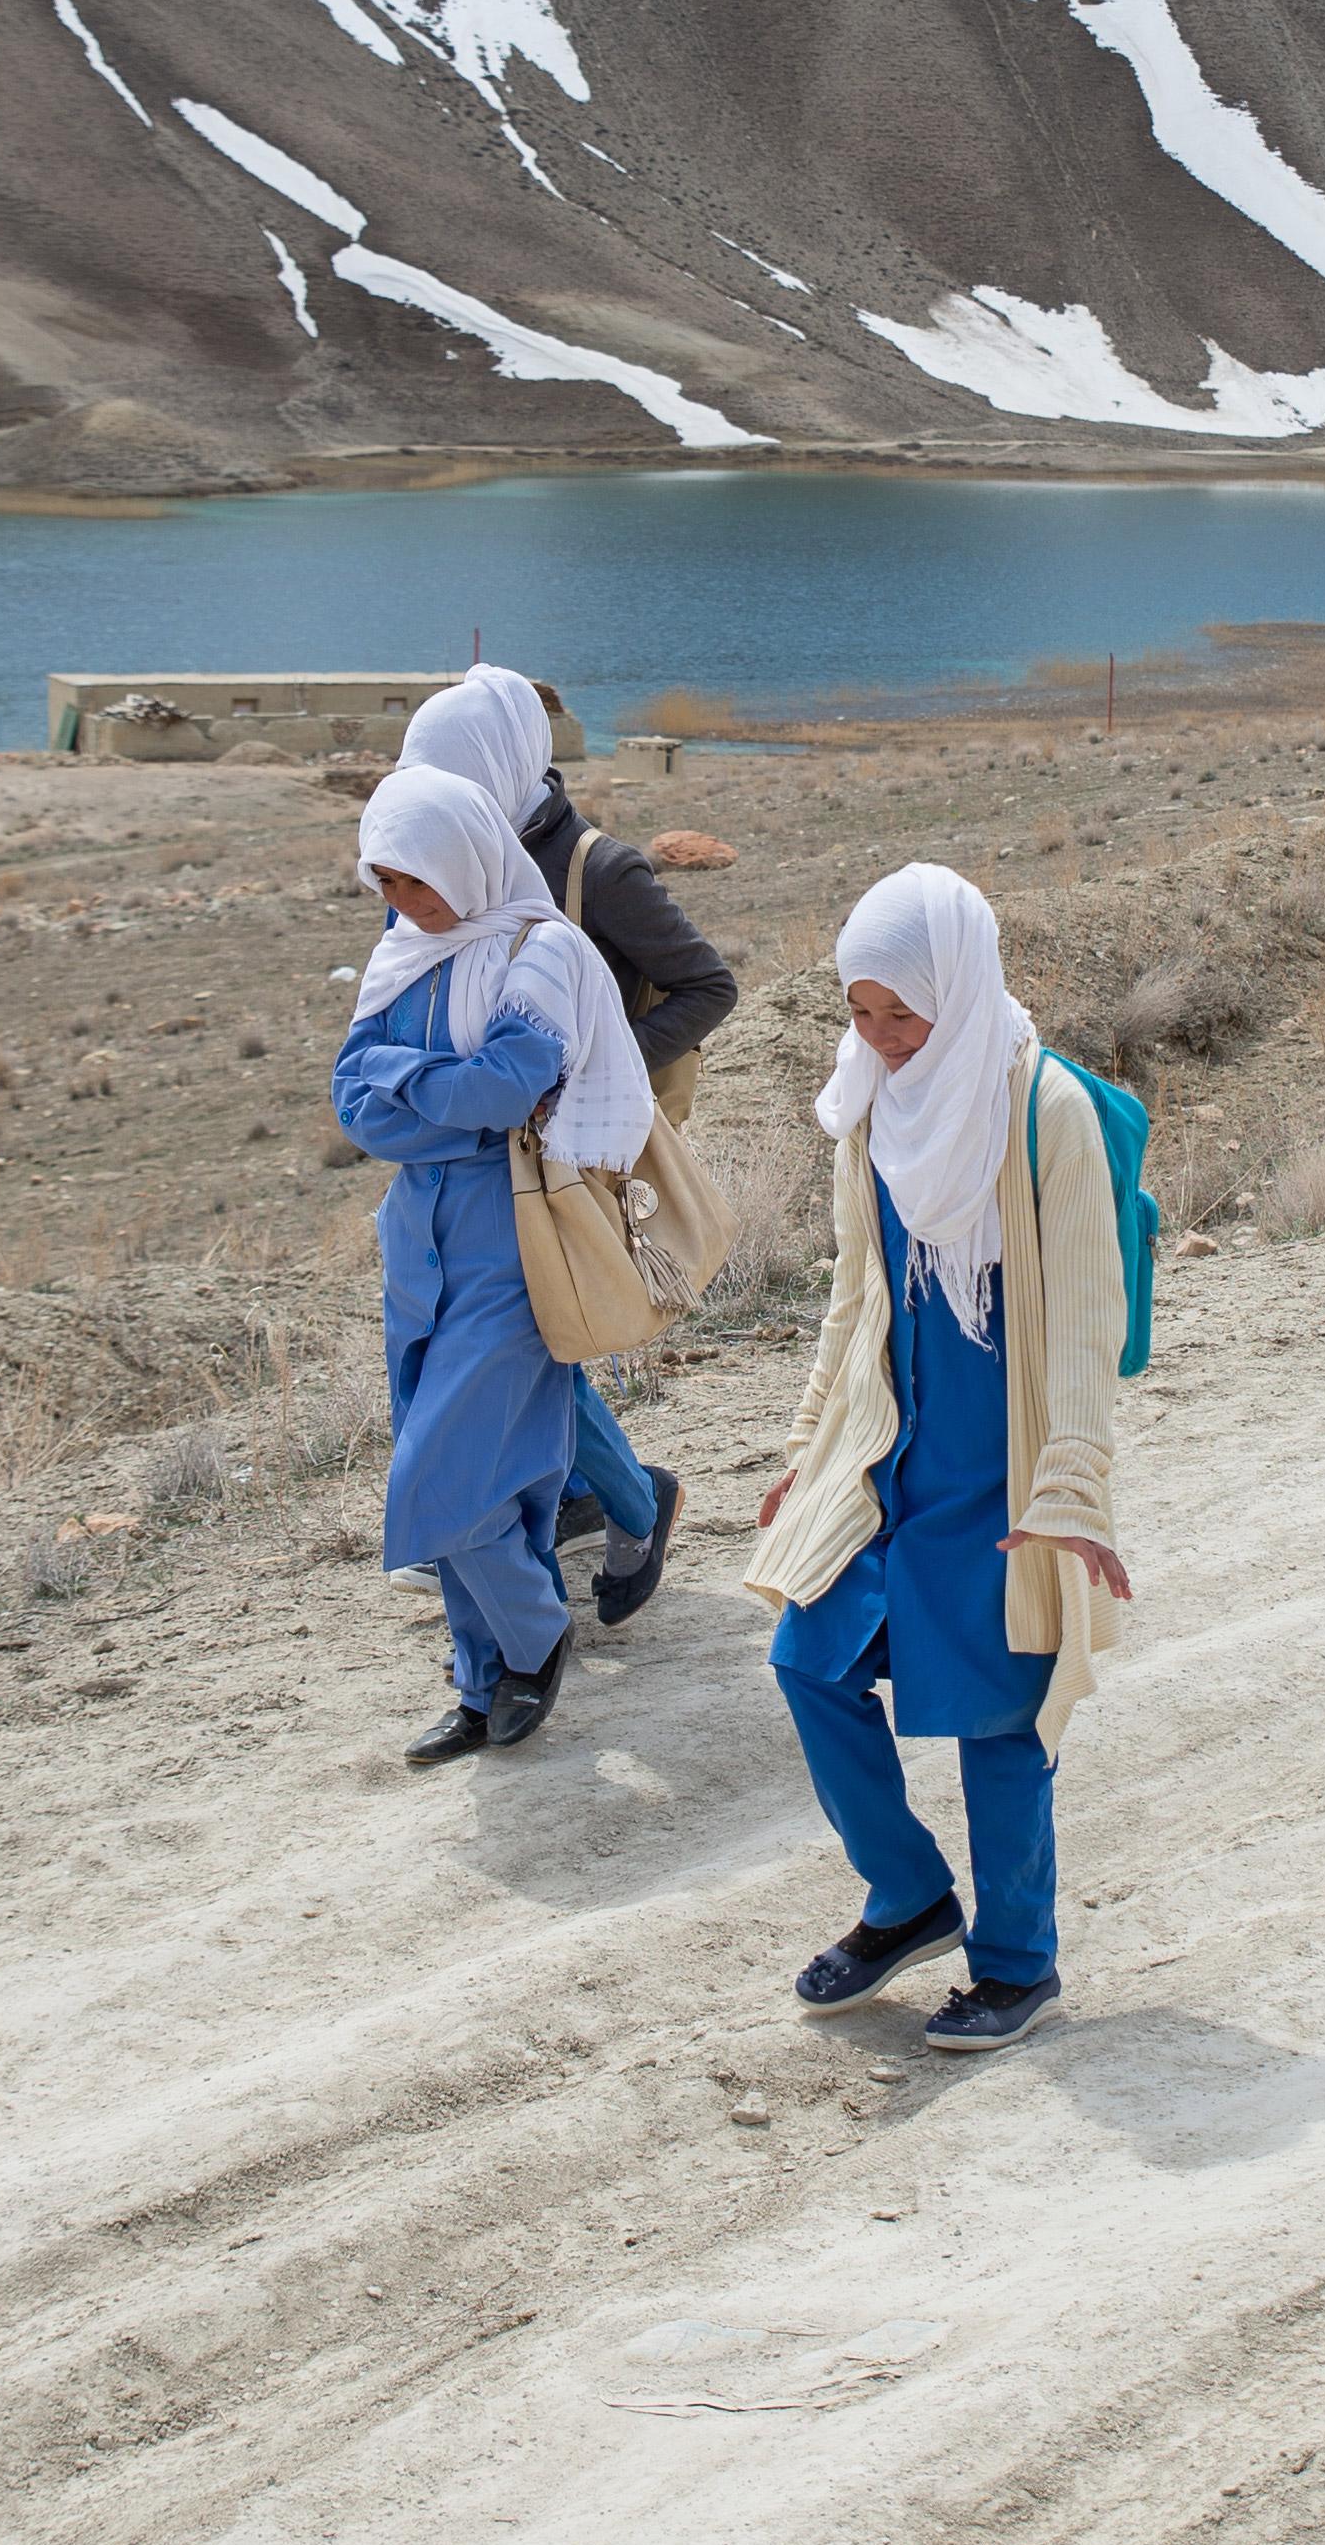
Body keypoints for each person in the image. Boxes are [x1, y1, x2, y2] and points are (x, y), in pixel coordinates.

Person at [743, 863, 1133, 2053]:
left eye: (901, 1015)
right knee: (809, 1660)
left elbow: (1082, 1316)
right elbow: (856, 1294)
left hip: (1001, 1462)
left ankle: (1018, 1963)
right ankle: (908, 1894)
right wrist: (811, 1446)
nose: (881, 1039)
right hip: (888, 1452)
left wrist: (1070, 1492)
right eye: (859, 1014)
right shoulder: (868, 1105)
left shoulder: (1044, 1109)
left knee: (998, 1718)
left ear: (956, 993)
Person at [401, 665, 742, 1627]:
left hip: (573, 1150)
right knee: (503, 1336)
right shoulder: (447, 855)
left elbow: (708, 988)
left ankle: (619, 1500)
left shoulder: (601, 871)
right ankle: (583, 1502)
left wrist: (594, 1074)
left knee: (526, 1337)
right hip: (472, 1145)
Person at [331, 764, 656, 1767]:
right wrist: (434, 1088)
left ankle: (531, 1632)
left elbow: (507, 1084)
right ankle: (481, 1682)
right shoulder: (404, 953)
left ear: (468, 859)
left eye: (419, 881)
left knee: (441, 1468)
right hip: (417, 1237)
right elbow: (352, 1102)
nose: (406, 903)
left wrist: (402, 1078)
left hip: (511, 1231)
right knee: (484, 1468)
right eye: (387, 883)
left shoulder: (539, 948)